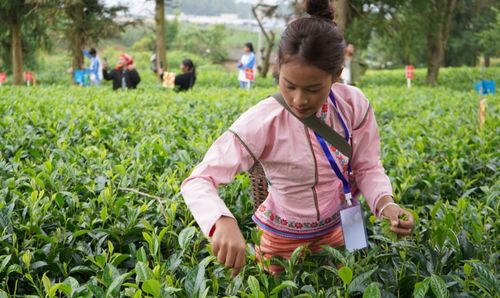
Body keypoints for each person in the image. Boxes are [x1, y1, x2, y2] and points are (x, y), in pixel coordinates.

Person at [181, 0, 414, 276]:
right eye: (289, 85)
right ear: (279, 68)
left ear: (336, 75)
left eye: (314, 88)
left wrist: (386, 203)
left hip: (340, 230)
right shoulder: (264, 120)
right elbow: (199, 180)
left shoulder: (354, 105)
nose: (299, 100)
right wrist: (220, 221)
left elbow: (367, 167)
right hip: (282, 240)